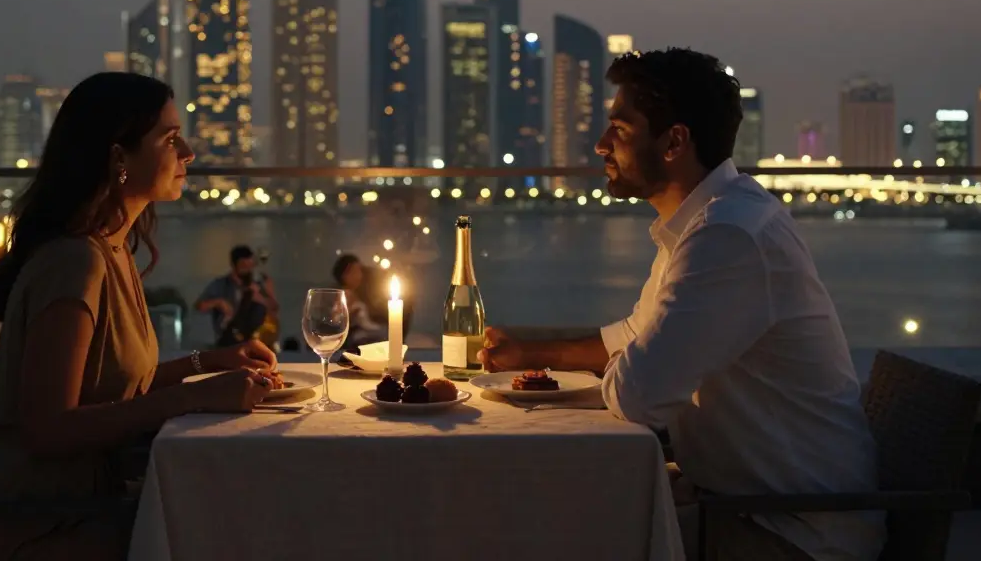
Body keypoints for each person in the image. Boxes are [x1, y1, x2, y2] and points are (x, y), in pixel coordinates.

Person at [479, 49, 885, 561]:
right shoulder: (706, 222)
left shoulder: (728, 236)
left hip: (791, 531)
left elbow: (638, 396)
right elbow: (635, 338)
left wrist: (637, 364)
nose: (601, 145)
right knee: (548, 514)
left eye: (620, 130)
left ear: (673, 142)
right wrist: (531, 356)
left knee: (547, 534)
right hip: (738, 503)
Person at [0, 73, 279, 561]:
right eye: (170, 139)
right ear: (118, 158)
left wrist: (211, 362)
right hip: (39, 525)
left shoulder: (111, 249)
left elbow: (114, 385)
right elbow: (46, 428)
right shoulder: (75, 262)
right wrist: (192, 397)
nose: (188, 152)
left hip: (90, 502)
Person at [194, 245, 280, 347]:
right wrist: (219, 302)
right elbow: (199, 305)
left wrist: (259, 297)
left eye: (250, 266)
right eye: (243, 266)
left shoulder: (259, 283)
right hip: (228, 337)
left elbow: (274, 308)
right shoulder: (221, 284)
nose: (247, 269)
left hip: (255, 339)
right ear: (234, 265)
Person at [332, 254, 381, 349]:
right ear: (344, 275)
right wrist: (351, 313)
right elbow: (336, 320)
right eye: (355, 272)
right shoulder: (345, 294)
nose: (359, 276)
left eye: (360, 271)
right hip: (354, 336)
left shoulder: (357, 293)